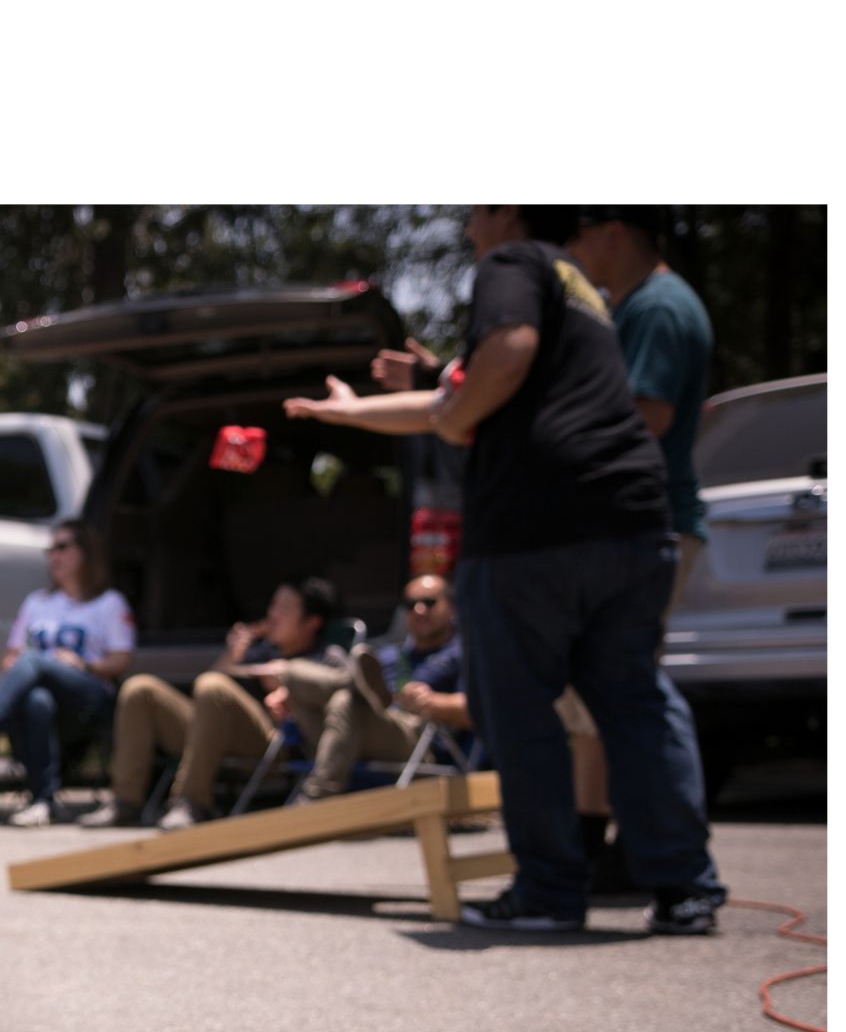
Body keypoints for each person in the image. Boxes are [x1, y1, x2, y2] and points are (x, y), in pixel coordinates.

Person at [282, 205, 724, 935]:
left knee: (517, 709)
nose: (467, 230)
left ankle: (550, 892)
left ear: (509, 210)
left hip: (537, 530)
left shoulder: (514, 263)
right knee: (633, 702)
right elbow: (467, 391)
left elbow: (497, 364)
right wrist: (355, 412)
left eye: (476, 210)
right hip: (632, 525)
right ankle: (685, 890)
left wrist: (455, 418)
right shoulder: (583, 291)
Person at [561, 207, 718, 883]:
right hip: (636, 525)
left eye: (578, 236)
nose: (574, 253)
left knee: (626, 691)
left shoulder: (657, 306)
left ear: (613, 231)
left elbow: (647, 414)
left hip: (648, 525)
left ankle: (655, 852)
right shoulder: (637, 304)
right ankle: (599, 844)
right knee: (599, 693)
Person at [79, 577, 347, 830]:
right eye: (273, 605)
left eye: (285, 609)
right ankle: (125, 801)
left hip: (274, 741)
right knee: (140, 689)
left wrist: (289, 688)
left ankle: (191, 801)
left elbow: (343, 710)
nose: (273, 615)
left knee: (213, 686)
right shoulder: (259, 650)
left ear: (312, 622)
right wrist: (232, 657)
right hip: (211, 734)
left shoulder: (326, 658)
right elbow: (205, 692)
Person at [0, 524, 134, 827]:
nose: (54, 556)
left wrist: (84, 664)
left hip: (88, 695)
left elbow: (122, 659)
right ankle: (43, 801)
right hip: (45, 697)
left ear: (85, 552)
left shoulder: (108, 602)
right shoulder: (37, 602)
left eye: (62, 547)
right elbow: (12, 655)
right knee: (36, 699)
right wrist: (18, 666)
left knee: (34, 661)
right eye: (50, 550)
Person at [295, 575, 471, 801]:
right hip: (370, 724)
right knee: (291, 671)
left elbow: (475, 709)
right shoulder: (387, 655)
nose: (418, 610)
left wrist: (430, 701)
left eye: (429, 602)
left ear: (452, 607)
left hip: (418, 736)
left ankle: (317, 794)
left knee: (344, 701)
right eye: (410, 604)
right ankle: (356, 684)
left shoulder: (461, 653)